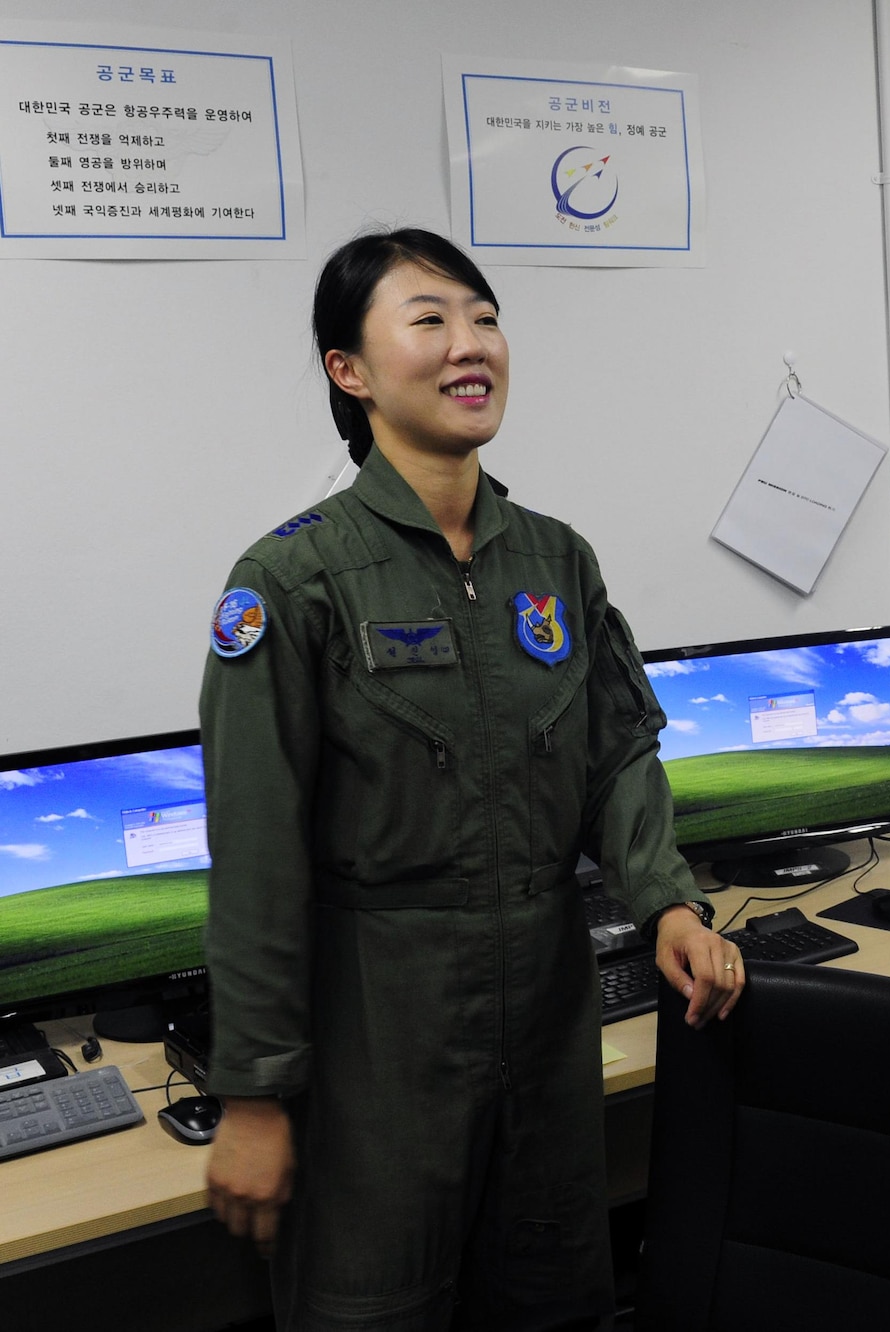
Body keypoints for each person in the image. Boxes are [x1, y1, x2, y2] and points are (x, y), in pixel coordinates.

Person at [198, 228, 743, 1330]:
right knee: (374, 1309)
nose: (470, 345)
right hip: (379, 1043)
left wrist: (667, 902)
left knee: (554, 1303)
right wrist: (253, 1092)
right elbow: (254, 858)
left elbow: (617, 749)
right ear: (347, 373)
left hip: (545, 1024)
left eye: (484, 317)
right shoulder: (292, 581)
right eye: (430, 320)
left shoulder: (555, 560)